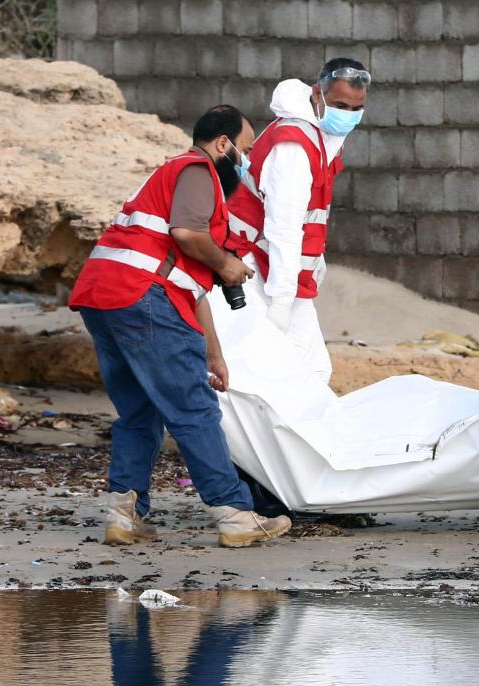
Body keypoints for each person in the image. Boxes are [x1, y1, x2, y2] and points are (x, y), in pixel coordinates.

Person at [69, 105, 292, 548]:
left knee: (139, 413)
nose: (245, 163)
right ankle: (234, 514)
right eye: (244, 151)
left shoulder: (167, 178)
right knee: (194, 411)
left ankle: (123, 516)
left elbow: (192, 289)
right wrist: (227, 262)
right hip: (141, 296)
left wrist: (214, 353)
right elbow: (188, 235)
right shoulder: (197, 169)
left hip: (104, 297)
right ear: (223, 144)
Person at [225, 58, 370, 384]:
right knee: (266, 370)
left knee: (313, 372)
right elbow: (284, 227)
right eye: (340, 105)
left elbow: (307, 217)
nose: (348, 115)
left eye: (356, 108)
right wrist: (281, 300)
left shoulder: (321, 135)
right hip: (251, 263)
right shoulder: (295, 146)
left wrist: (313, 259)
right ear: (317, 94)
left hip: (274, 267)